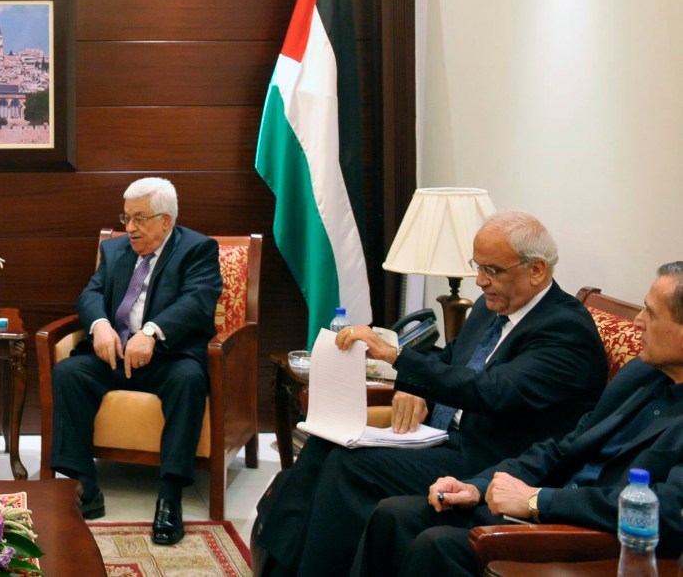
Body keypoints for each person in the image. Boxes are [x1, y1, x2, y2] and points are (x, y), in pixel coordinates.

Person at [252, 210, 610, 576]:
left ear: (536, 270)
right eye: (478, 267)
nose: (480, 281)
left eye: (492, 270)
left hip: (493, 459)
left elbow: (492, 391)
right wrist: (417, 390)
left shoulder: (565, 331)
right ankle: (277, 567)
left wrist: (397, 358)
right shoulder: (494, 306)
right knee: (324, 446)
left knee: (351, 467)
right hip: (442, 437)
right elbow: (451, 358)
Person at [355, 262, 683, 576]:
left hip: (598, 537)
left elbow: (667, 510)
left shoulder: (566, 329)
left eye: (651, 313)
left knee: (438, 545)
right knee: (394, 516)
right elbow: (564, 446)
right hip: (547, 504)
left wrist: (537, 499)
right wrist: (478, 486)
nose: (638, 322)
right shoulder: (642, 373)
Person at [47, 177, 223, 545]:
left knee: (189, 380)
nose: (130, 227)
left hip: (168, 357)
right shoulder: (114, 251)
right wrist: (99, 325)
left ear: (166, 220)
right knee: (68, 373)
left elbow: (197, 302)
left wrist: (152, 332)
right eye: (126, 217)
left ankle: (170, 498)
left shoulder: (197, 249)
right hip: (115, 355)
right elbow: (90, 295)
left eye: (140, 218)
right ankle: (85, 488)